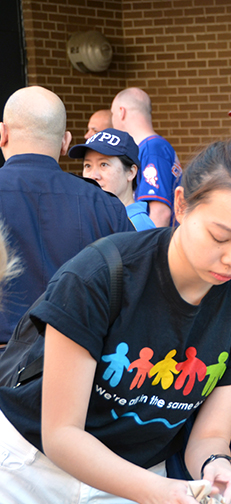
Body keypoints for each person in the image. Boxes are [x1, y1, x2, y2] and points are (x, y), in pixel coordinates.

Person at [0, 137, 231, 504]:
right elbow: (62, 433)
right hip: (29, 468)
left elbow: (210, 435)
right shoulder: (102, 272)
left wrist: (216, 468)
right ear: (180, 204)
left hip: (132, 483)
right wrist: (154, 492)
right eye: (220, 237)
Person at [0, 86, 134, 348]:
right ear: (65, 142)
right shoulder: (106, 205)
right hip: (81, 363)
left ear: (2, 134)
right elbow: (135, 290)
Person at [111, 87, 182, 228]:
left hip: (163, 244)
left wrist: (146, 249)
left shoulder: (152, 149)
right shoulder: (152, 147)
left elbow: (160, 213)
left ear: (121, 112)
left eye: (112, 114)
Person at [69, 128, 157, 231]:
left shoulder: (139, 226)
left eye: (104, 164)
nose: (94, 175)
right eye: (88, 165)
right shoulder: (96, 220)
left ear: (131, 172)